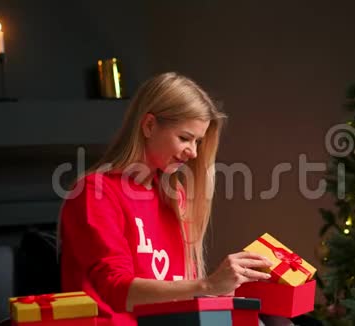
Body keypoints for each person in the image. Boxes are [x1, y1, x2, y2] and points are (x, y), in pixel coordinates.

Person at [59, 72, 274, 326]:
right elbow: (115, 291)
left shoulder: (174, 196)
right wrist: (208, 284)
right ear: (149, 126)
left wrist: (220, 289)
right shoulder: (95, 192)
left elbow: (180, 290)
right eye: (184, 138)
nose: (193, 152)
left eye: (197, 141)